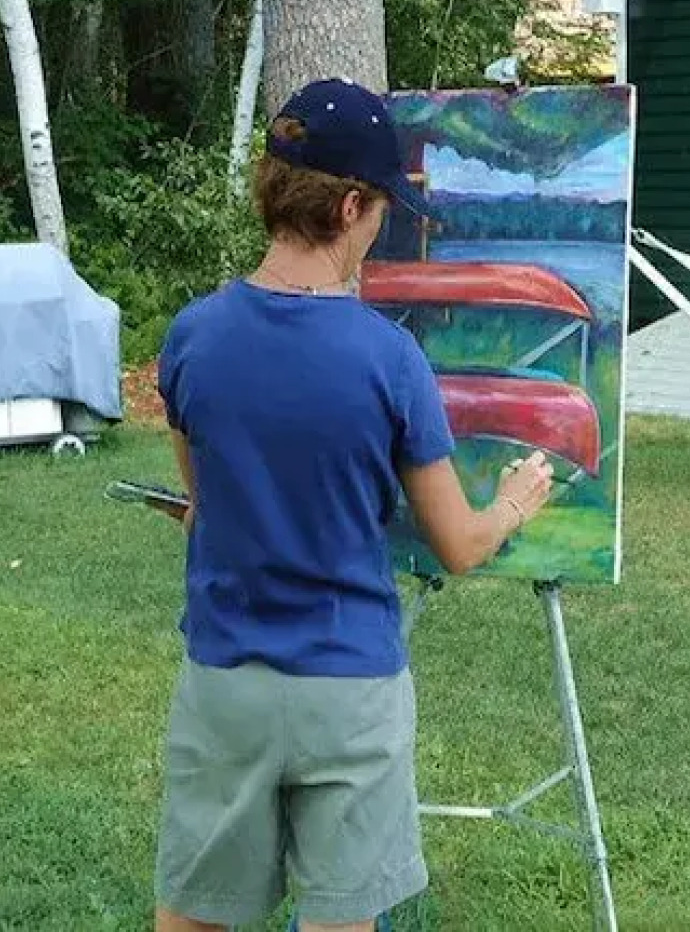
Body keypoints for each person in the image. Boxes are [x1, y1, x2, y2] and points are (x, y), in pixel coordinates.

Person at [153, 77, 558, 932]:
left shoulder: (192, 336)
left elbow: (202, 504)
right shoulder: (390, 358)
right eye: (380, 211)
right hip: (348, 690)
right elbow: (458, 545)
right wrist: (513, 504)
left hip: (225, 682)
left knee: (193, 919)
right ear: (347, 208)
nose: (379, 229)